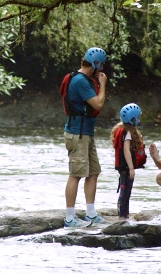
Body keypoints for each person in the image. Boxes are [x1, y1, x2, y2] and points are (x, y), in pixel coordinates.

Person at [60, 47, 108, 228]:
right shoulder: (80, 81)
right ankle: (70, 217)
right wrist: (103, 85)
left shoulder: (83, 79)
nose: (102, 69)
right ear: (95, 64)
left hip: (86, 133)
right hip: (77, 134)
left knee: (93, 172)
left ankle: (90, 213)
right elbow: (98, 103)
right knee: (76, 174)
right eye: (101, 65)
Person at [111, 103, 147, 221]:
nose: (138, 119)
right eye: (137, 117)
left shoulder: (120, 129)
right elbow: (126, 150)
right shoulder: (126, 132)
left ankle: (124, 214)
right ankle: (122, 215)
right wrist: (131, 168)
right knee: (125, 190)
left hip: (123, 166)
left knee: (125, 189)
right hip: (126, 167)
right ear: (132, 118)